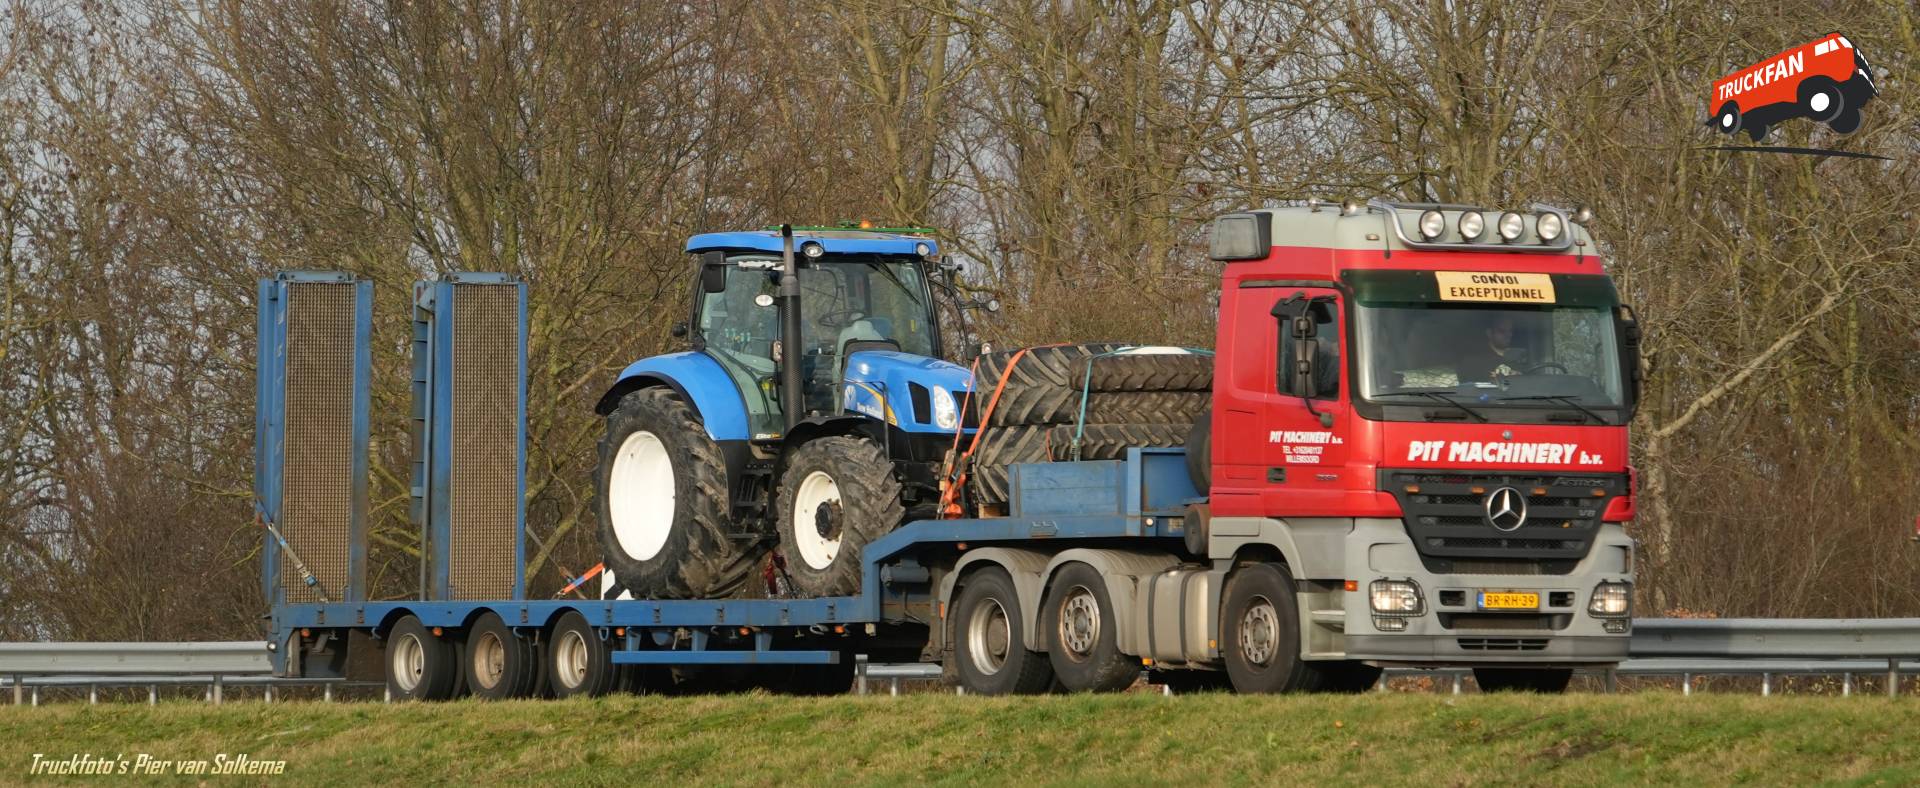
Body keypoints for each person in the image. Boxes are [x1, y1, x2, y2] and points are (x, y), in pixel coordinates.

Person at [1455, 314, 1526, 383]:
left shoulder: (1521, 359)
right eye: (1502, 331)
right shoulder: (1473, 361)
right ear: (1489, 333)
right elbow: (1469, 390)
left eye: (1510, 331)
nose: (1508, 335)